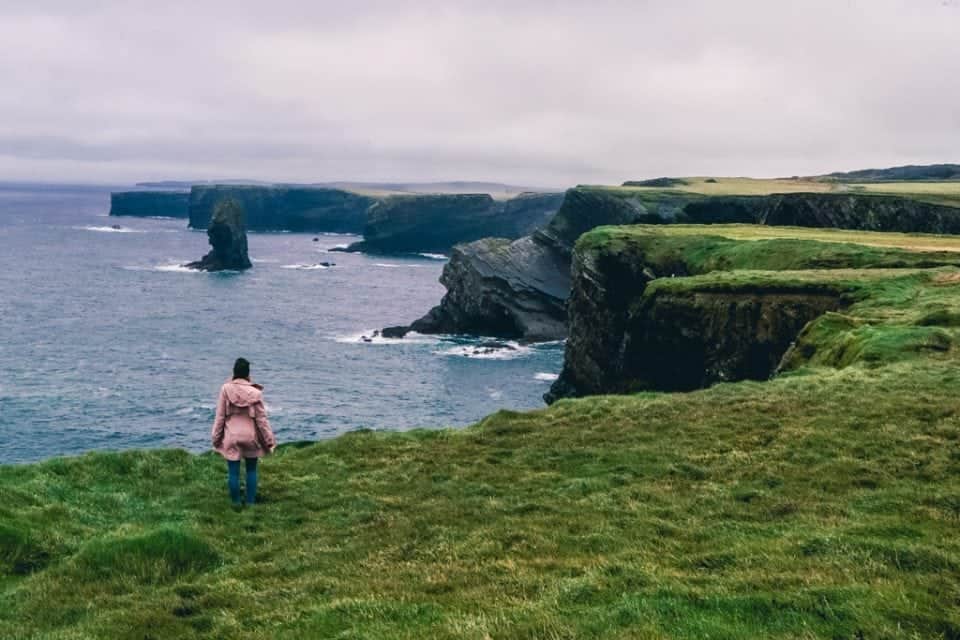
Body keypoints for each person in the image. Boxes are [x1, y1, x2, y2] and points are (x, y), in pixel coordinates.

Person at [211, 357, 277, 506]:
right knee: (251, 470)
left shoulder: (225, 389)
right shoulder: (255, 393)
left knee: (233, 472)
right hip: (251, 436)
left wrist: (215, 438)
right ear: (248, 373)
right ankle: (250, 503)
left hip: (231, 436)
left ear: (234, 372)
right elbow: (262, 420)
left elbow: (220, 416)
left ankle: (235, 504)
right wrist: (269, 440)